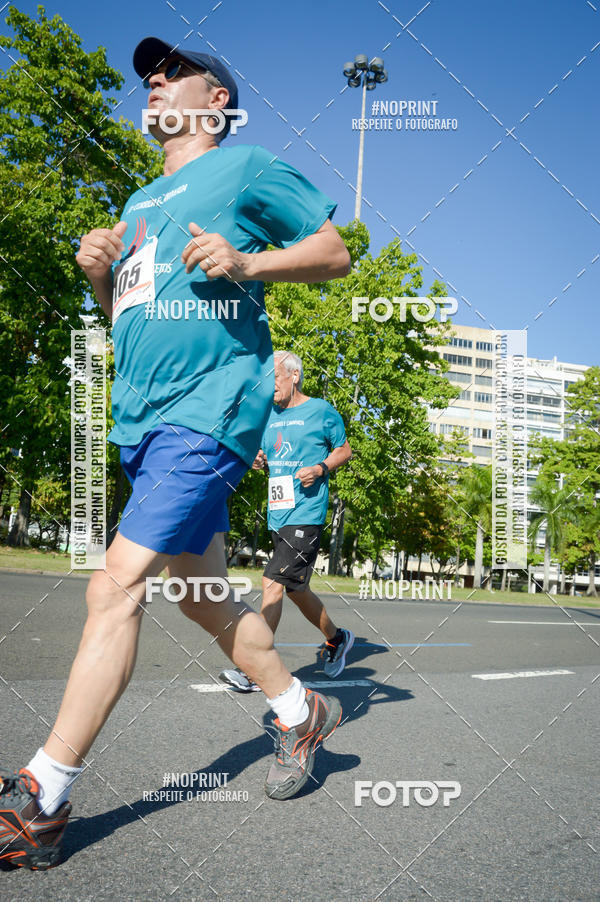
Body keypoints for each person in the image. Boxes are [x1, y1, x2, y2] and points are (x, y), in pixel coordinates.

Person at [0, 37, 351, 870]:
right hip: (141, 423)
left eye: (171, 72)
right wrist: (97, 273)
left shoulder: (247, 167)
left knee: (113, 587)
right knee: (200, 596)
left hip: (211, 411)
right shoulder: (137, 197)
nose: (152, 82)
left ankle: (41, 799)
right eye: (148, 77)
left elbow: (334, 253)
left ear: (216, 100)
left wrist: (247, 260)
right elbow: (130, 308)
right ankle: (302, 710)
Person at [219, 351, 354, 693]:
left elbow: (344, 450)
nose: (271, 387)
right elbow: (263, 454)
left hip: (306, 515)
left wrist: (321, 468)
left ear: (293, 376)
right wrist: (258, 460)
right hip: (279, 513)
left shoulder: (321, 411)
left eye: (275, 379)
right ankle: (337, 639)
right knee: (296, 589)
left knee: (272, 584)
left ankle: (253, 669)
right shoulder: (269, 416)